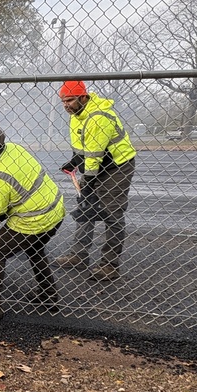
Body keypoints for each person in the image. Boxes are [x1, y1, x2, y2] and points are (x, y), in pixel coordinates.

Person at [0, 125, 65, 320]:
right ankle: (49, 296)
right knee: (34, 249)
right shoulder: (15, 149)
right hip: (55, 209)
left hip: (33, 219)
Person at [55, 80, 137, 281]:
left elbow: (95, 154)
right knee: (86, 208)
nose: (66, 105)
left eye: (70, 100)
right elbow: (84, 149)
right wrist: (74, 161)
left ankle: (109, 265)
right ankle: (79, 255)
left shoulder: (98, 117)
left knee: (112, 213)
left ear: (83, 97)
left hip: (117, 166)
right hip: (97, 164)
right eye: (64, 101)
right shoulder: (76, 115)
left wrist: (88, 180)